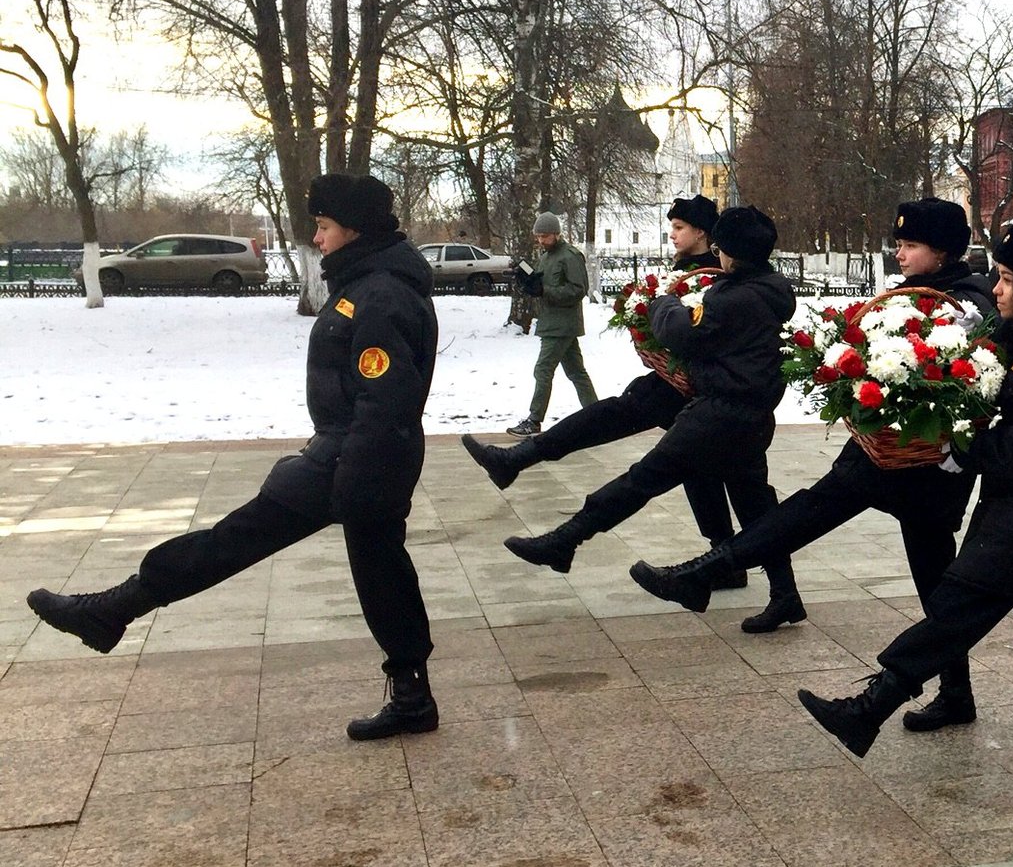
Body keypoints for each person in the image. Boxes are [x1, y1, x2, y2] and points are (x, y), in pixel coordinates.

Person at [29, 174, 443, 740]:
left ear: (354, 228)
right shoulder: (369, 283)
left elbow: (384, 398)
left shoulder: (380, 294)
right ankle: (413, 697)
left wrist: (350, 478)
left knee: (233, 541)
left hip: (357, 458)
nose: (317, 240)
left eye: (323, 227)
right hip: (361, 455)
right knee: (383, 572)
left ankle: (110, 610)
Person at [628, 198, 997, 723]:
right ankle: (707, 570)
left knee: (932, 577)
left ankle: (956, 694)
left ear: (941, 252)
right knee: (806, 514)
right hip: (882, 455)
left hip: (929, 469)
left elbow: (965, 386)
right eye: (899, 243)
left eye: (910, 245)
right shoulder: (912, 296)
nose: (900, 252)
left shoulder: (967, 303)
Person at [787, 221, 1013, 790]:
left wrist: (966, 443)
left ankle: (868, 708)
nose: (996, 289)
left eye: (1009, 279)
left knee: (955, 612)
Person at [501, 206, 806, 633]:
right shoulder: (768, 290)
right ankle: (785, 595)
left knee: (643, 478)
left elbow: (680, 333)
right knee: (755, 505)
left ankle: (566, 540)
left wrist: (661, 301)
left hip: (718, 413)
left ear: (731, 253)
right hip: (750, 416)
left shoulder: (732, 295)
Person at [461, 196, 748, 584]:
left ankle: (523, 466)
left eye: (679, 227)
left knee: (625, 433)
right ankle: (725, 560)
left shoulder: (708, 275)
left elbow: (700, 334)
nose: (673, 233)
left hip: (688, 389)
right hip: (683, 387)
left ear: (700, 232)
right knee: (699, 468)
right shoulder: (687, 269)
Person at [508, 211, 596, 436]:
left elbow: (578, 290)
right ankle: (598, 415)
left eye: (545, 236)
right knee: (577, 372)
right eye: (538, 237)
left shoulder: (570, 256)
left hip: (562, 325)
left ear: (557, 234)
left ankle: (534, 420)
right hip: (551, 322)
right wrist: (526, 277)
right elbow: (540, 282)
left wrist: (544, 290)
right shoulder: (546, 257)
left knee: (543, 369)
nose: (541, 241)